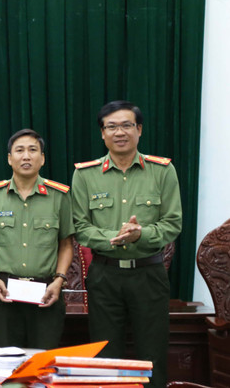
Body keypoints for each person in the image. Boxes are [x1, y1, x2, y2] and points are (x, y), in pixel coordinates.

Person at [71, 101, 181, 388]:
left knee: (152, 354)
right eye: (112, 127)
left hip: (149, 275)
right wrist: (113, 238)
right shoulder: (85, 174)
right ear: (102, 134)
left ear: (139, 129)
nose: (119, 132)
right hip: (105, 276)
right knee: (106, 356)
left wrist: (140, 234)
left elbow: (173, 224)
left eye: (126, 125)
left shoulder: (162, 171)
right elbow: (80, 228)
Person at [0, 129, 74, 349]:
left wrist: (59, 281)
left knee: (43, 365)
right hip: (5, 292)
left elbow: (67, 244)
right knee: (6, 367)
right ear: (10, 159)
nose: (26, 156)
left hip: (47, 293)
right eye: (19, 150)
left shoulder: (59, 196)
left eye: (33, 150)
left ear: (42, 158)